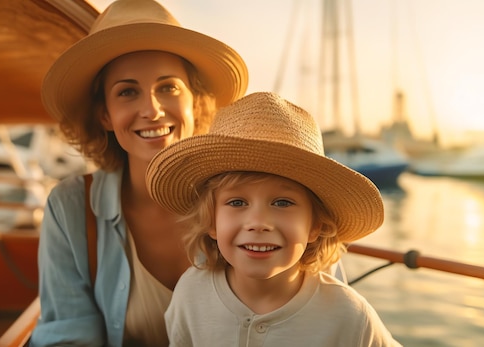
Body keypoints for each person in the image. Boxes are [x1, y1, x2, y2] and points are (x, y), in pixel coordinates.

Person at [30, 0, 248, 346]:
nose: (151, 109)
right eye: (128, 92)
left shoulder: (252, 194)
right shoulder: (71, 207)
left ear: (196, 102)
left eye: (168, 87)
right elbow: (68, 337)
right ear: (105, 115)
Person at [146, 92, 402, 346]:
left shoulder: (350, 317)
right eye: (237, 202)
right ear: (212, 222)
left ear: (316, 226)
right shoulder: (190, 294)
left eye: (282, 203)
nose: (258, 222)